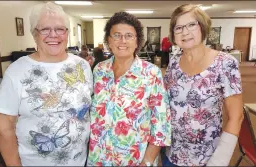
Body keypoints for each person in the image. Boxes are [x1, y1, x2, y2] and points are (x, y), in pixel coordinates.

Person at [0, 2, 93, 166]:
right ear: (35, 34)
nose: (53, 35)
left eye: (60, 29)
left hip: (80, 162)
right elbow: (4, 128)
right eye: (45, 29)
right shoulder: (17, 71)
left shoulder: (82, 66)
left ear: (67, 33)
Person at [163, 4, 243, 166]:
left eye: (191, 25)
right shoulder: (174, 62)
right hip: (172, 154)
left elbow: (236, 117)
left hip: (207, 158)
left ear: (203, 27)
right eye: (178, 28)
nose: (185, 32)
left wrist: (218, 162)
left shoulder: (225, 63)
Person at [87, 12, 171, 166]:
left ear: (137, 41)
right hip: (98, 158)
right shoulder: (99, 70)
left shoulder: (151, 73)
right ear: (108, 41)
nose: (123, 41)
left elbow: (161, 124)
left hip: (134, 160)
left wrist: (147, 161)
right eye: (116, 35)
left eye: (129, 36)